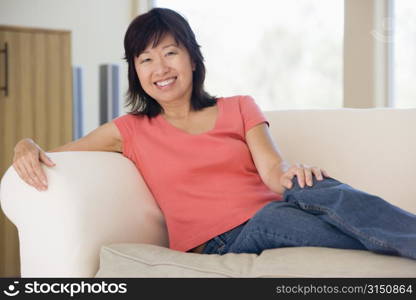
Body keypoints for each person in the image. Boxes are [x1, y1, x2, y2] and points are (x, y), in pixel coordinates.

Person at [12, 8, 416, 259]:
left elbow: (273, 172)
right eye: (145, 59)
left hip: (270, 210)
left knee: (316, 185)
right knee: (311, 223)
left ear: (191, 56)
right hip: (222, 239)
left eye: (170, 52)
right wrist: (25, 144)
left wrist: (296, 176)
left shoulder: (239, 106)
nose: (160, 68)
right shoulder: (128, 130)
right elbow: (59, 154)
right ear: (136, 71)